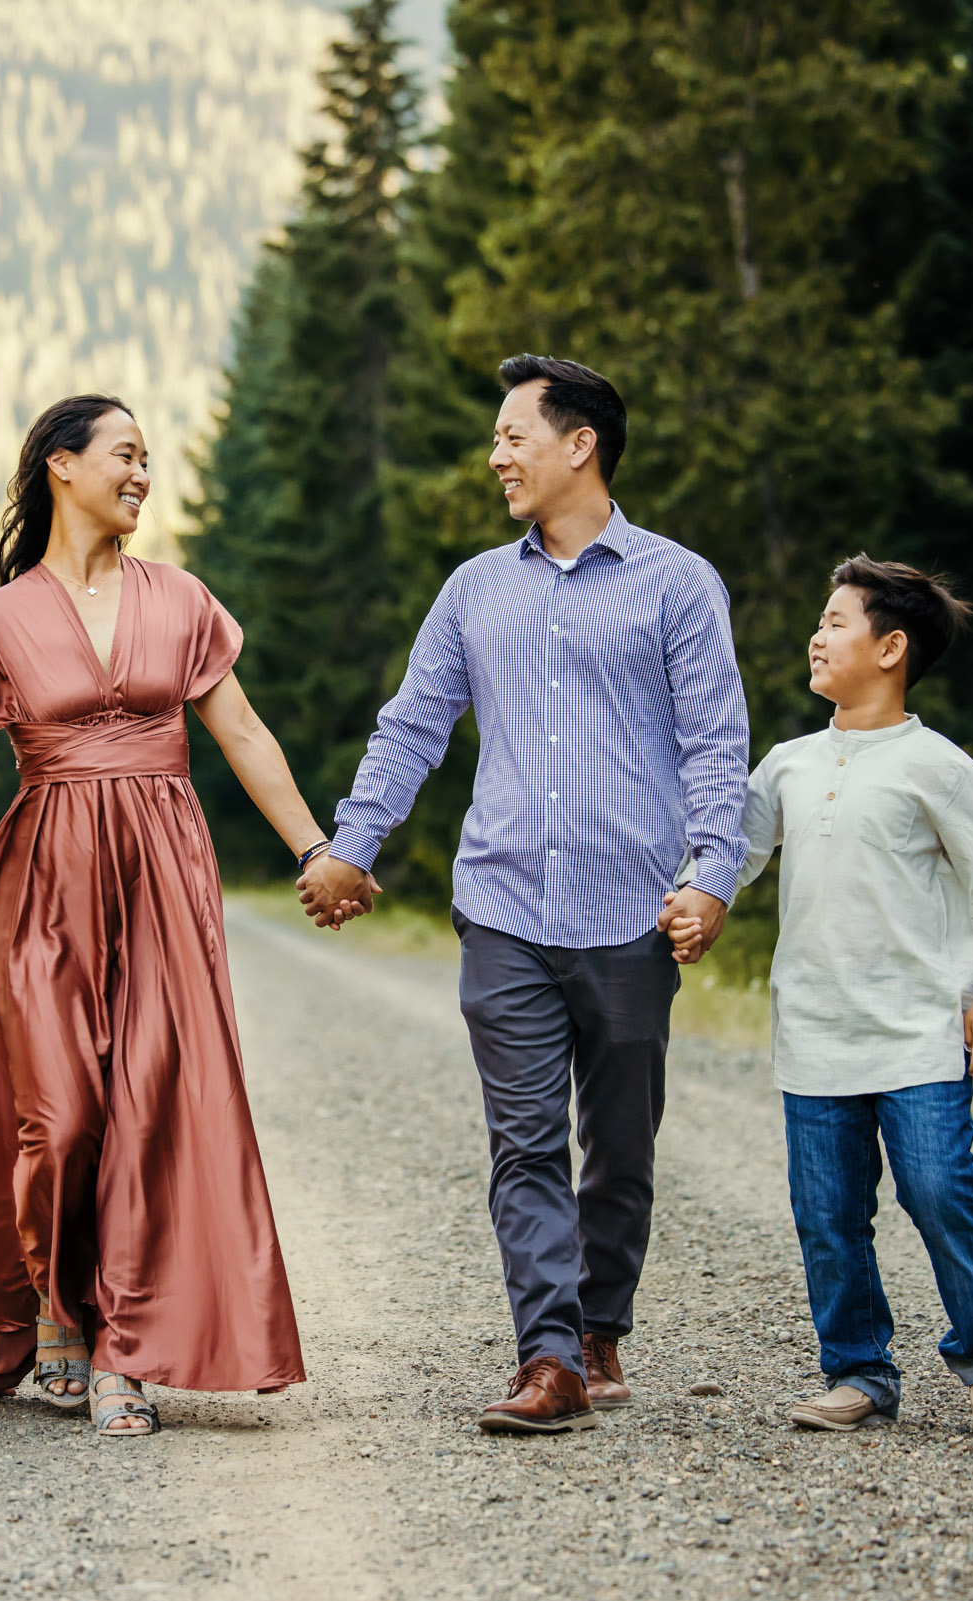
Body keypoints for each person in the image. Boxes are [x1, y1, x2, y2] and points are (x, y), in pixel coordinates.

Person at [299, 355, 751, 1435]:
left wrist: (712, 875)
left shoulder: (677, 582)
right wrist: (351, 845)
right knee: (526, 1142)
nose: (496, 455)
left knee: (624, 1138)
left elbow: (715, 744)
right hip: (502, 902)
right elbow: (413, 724)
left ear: (579, 443)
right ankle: (548, 1353)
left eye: (514, 435)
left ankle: (602, 1321)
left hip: (633, 909)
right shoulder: (474, 588)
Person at [0, 394, 325, 1437]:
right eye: (124, 455)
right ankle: (53, 1307)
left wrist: (318, 847)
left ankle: (122, 1343)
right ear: (61, 468)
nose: (141, 474)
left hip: (164, 875)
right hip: (40, 885)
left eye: (147, 459)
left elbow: (245, 732)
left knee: (151, 1107)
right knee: (59, 1114)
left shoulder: (181, 598)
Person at [665, 556, 973, 1436]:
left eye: (837, 621)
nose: (818, 635)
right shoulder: (790, 764)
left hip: (916, 1030)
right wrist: (695, 901)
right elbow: (734, 854)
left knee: (939, 1188)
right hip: (815, 1031)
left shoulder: (936, 765)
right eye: (820, 620)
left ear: (891, 647)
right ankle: (860, 1371)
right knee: (828, 1215)